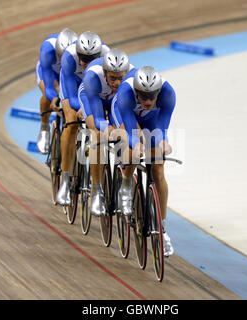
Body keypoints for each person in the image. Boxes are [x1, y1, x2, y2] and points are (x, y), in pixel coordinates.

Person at [111, 66, 176, 257]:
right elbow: (131, 130)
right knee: (133, 147)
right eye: (143, 97)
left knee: (158, 168)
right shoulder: (125, 92)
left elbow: (161, 128)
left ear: (158, 93)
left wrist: (163, 142)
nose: (147, 101)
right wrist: (136, 144)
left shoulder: (168, 93)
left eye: (151, 97)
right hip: (125, 113)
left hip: (151, 119)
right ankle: (126, 183)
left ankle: (162, 230)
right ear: (136, 92)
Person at [78, 48, 135, 216]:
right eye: (112, 78)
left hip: (115, 101)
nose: (117, 83)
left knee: (128, 132)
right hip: (92, 99)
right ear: (104, 73)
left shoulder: (133, 77)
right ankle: (96, 191)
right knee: (98, 134)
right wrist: (107, 128)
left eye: (120, 78)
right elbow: (97, 118)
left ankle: (124, 175)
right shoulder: (93, 76)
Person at [56, 31, 110, 206]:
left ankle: (98, 184)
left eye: (92, 58)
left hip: (93, 88)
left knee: (99, 128)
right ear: (78, 54)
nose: (87, 63)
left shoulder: (106, 56)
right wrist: (81, 108)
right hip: (73, 86)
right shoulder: (69, 57)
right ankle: (64, 180)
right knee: (71, 122)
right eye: (84, 59)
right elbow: (72, 95)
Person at [35, 28, 78, 154]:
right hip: (50, 73)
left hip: (70, 73)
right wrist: (53, 96)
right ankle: (44, 128)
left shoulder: (79, 50)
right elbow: (48, 85)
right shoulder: (48, 49)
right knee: (49, 95)